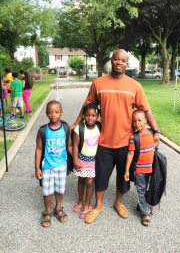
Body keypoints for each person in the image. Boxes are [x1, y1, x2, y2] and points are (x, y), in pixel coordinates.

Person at [71, 49, 159, 224]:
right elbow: (88, 104)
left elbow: (146, 109)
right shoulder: (98, 83)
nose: (119, 62)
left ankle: (118, 203)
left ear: (127, 64)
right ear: (111, 61)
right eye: (116, 59)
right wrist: (75, 123)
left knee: (122, 176)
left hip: (126, 141)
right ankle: (98, 206)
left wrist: (155, 131)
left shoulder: (134, 86)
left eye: (123, 60)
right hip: (103, 141)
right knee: (101, 175)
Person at [35, 100, 72, 228]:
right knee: (47, 191)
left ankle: (58, 208)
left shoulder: (66, 128)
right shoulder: (43, 130)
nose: (53, 114)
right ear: (46, 114)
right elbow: (39, 149)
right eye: (50, 112)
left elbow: (70, 146)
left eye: (56, 112)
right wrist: (37, 168)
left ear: (61, 112)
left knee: (60, 189)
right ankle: (47, 211)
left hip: (61, 165)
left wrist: (78, 160)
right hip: (47, 166)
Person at [124, 110, 155, 227]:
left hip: (151, 169)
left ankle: (142, 205)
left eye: (140, 120)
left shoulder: (152, 134)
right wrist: (127, 170)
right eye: (134, 121)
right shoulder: (134, 137)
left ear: (146, 120)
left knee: (147, 189)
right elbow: (130, 154)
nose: (137, 123)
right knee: (141, 190)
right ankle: (145, 213)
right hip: (140, 171)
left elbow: (154, 149)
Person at [72, 103, 101, 219]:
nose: (90, 118)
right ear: (84, 115)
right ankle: (80, 201)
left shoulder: (100, 127)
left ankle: (87, 204)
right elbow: (75, 146)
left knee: (89, 182)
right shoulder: (79, 128)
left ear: (97, 116)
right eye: (88, 115)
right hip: (81, 159)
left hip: (94, 160)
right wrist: (75, 160)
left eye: (93, 115)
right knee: (81, 181)